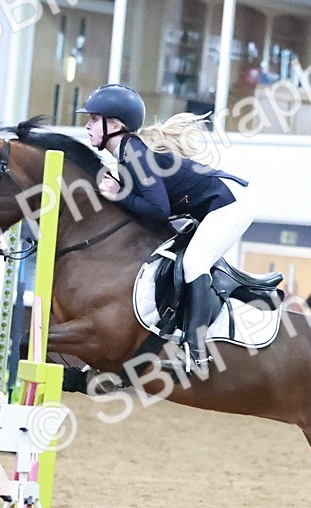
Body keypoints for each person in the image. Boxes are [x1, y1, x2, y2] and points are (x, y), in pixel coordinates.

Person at [78, 83, 256, 371]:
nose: (87, 126)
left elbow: (159, 210)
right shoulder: (126, 154)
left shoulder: (133, 153)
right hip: (217, 202)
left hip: (230, 201)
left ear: (114, 125)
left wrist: (119, 194)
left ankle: (196, 353)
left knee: (195, 263)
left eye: (93, 119)